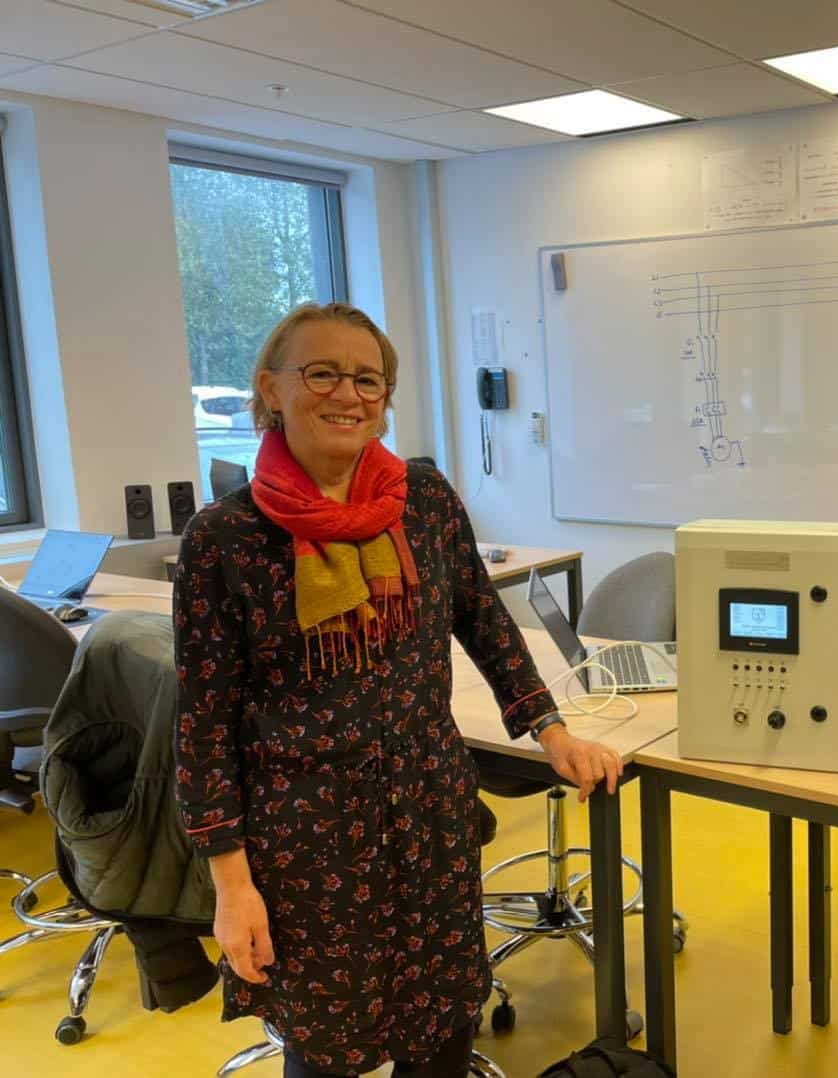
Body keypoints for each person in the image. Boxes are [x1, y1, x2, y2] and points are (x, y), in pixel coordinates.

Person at [173, 302, 622, 1077]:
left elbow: (483, 618)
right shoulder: (225, 537)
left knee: (443, 1028)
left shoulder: (424, 500)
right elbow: (204, 725)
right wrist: (231, 884)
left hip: (429, 810)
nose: (348, 395)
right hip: (307, 837)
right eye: (322, 373)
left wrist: (552, 731)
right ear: (271, 389)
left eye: (368, 379)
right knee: (328, 1045)